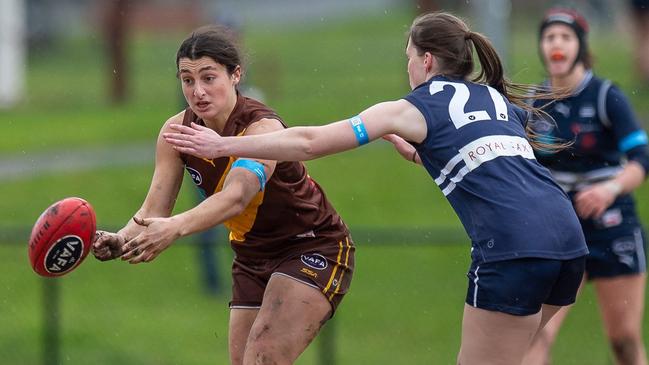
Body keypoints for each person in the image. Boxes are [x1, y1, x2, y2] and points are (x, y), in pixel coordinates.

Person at [164, 11, 589, 365]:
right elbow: (494, 159)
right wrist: (422, 154)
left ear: (426, 61)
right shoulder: (495, 100)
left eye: (408, 57)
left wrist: (223, 143)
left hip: (514, 247)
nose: (406, 67)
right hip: (569, 242)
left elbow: (308, 143)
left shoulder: (412, 107)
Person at [91, 25, 355, 365]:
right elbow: (154, 210)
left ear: (236, 75)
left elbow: (236, 197)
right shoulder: (176, 132)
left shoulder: (262, 129)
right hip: (251, 257)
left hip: (311, 246)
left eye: (208, 77)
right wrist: (120, 238)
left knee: (263, 357)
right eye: (187, 80)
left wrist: (176, 227)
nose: (198, 91)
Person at [522, 7, 649, 365]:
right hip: (558, 230)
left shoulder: (607, 96)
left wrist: (608, 190)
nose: (556, 45)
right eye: (549, 38)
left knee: (623, 340)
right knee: (537, 334)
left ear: (580, 45)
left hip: (612, 227)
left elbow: (642, 159)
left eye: (565, 37)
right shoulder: (533, 102)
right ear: (541, 47)